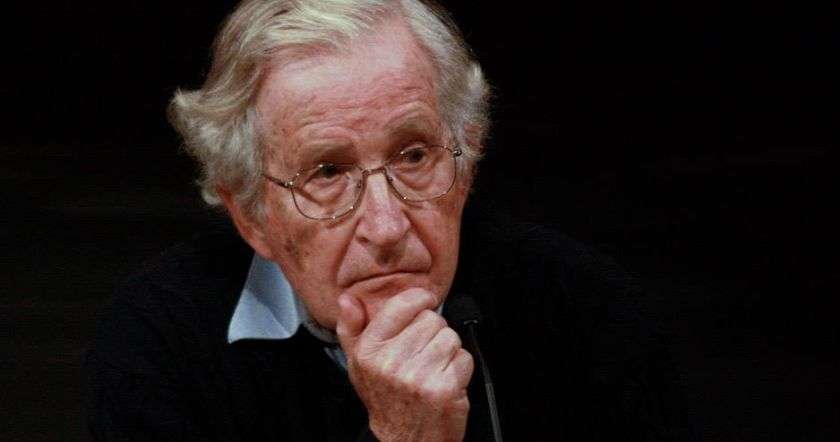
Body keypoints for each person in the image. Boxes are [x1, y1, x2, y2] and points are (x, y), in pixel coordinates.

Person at [85, 0, 695, 440]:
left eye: (414, 156)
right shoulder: (157, 343)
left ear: (466, 162)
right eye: (327, 172)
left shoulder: (588, 311)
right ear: (253, 217)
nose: (386, 226)